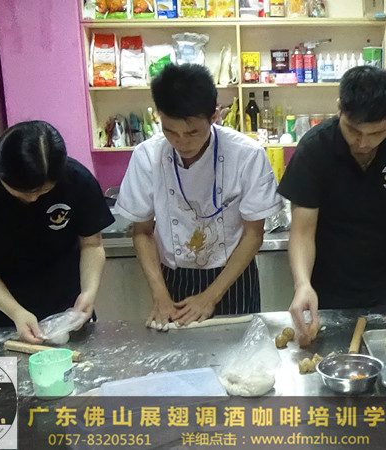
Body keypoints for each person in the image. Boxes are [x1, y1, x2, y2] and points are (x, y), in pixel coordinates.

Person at [278, 66, 386, 339]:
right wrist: (302, 285)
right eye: (353, 130)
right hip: (326, 288)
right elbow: (303, 230)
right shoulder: (315, 149)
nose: (363, 143)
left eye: (376, 133)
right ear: (339, 109)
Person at [116, 64, 282, 327]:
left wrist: (210, 297)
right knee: (176, 350)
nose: (181, 142)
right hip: (172, 280)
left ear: (214, 115)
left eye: (192, 132)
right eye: (170, 131)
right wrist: (160, 295)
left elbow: (253, 234)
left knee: (238, 349)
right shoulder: (147, 156)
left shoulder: (247, 155)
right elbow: (142, 232)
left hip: (233, 277)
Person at [0, 120, 114, 343]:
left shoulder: (78, 180)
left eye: (43, 191)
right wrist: (16, 312)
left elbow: (92, 245)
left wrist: (88, 293)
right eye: (23, 192)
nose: (33, 199)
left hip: (68, 312)